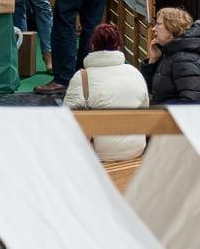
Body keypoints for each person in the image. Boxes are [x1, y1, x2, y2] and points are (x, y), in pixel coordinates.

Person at [64, 23, 149, 161]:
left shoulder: (82, 77)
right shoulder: (135, 73)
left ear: (93, 46)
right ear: (119, 46)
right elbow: (145, 110)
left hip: (98, 153)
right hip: (136, 148)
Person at [142, 7, 200, 104]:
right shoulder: (169, 53)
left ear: (172, 29)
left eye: (159, 24)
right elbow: (148, 90)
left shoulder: (184, 59)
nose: (153, 29)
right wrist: (153, 61)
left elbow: (191, 103)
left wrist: (160, 109)